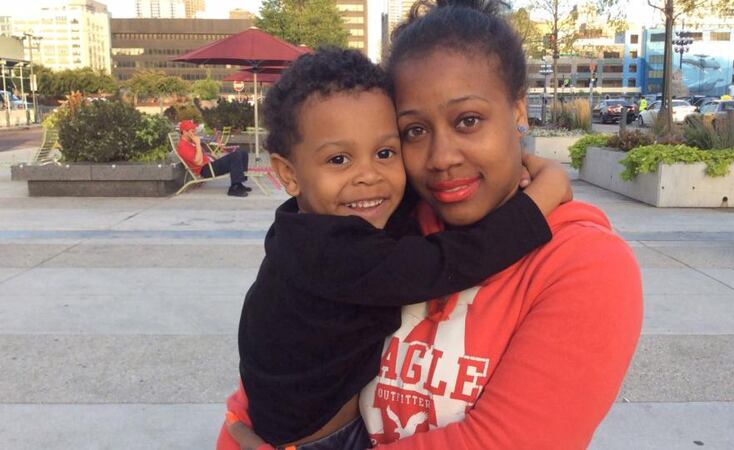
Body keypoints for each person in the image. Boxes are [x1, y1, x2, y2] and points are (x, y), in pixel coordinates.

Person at [224, 1, 642, 448]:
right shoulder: (377, 227)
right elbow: (261, 390)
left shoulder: (585, 266)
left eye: (468, 120)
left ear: (518, 111)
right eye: (414, 131)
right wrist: (541, 196)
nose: (442, 158)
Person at [176, 119, 252, 197]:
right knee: (236, 156)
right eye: (192, 131)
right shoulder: (183, 146)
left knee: (243, 153)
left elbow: (202, 155)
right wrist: (198, 143)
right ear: (184, 132)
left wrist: (211, 156)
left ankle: (239, 183)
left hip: (210, 164)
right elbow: (198, 162)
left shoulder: (191, 142)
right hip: (206, 170)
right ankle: (234, 188)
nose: (194, 133)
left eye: (195, 131)